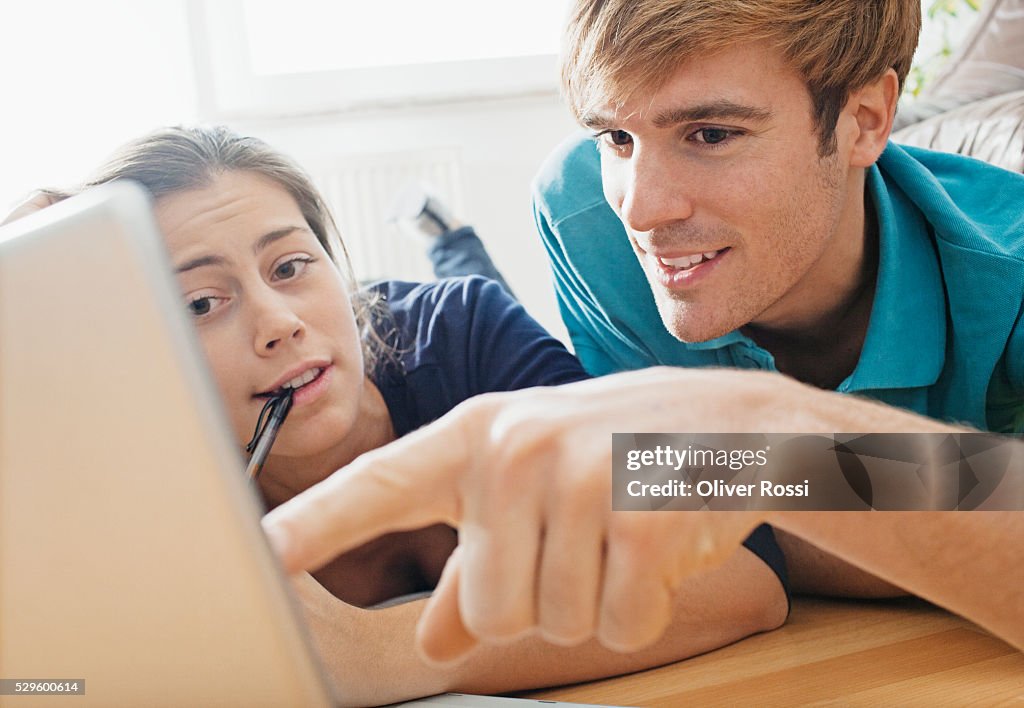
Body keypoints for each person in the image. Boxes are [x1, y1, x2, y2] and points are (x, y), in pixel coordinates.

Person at [261, 0, 1024, 665]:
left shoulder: (1010, 271)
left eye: (712, 134)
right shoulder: (582, 213)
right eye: (616, 138)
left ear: (864, 119)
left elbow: (703, 511)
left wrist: (748, 436)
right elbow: (668, 510)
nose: (642, 210)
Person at [2, 125, 790, 706]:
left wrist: (384, 655)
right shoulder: (145, 473)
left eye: (291, 265)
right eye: (202, 302)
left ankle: (450, 241)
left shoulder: (465, 334)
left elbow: (739, 580)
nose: (278, 320)